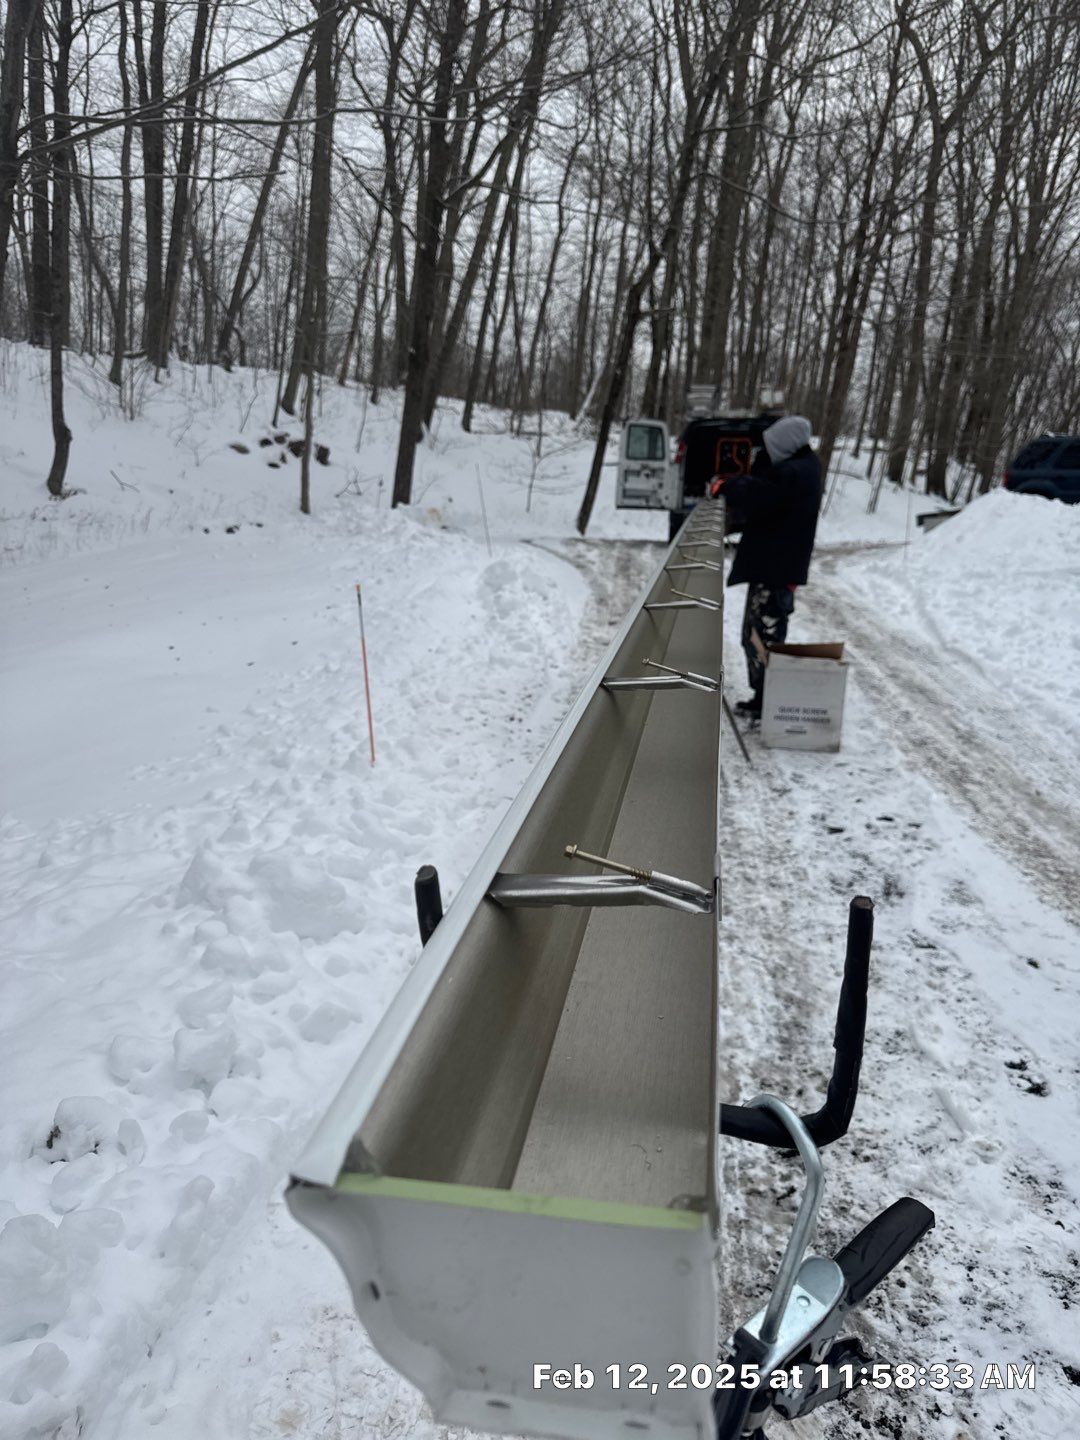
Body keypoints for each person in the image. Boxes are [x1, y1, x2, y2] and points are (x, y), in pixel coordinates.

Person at [708, 415, 821, 718]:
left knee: (763, 635)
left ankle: (767, 701)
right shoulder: (801, 469)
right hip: (776, 566)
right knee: (758, 633)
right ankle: (763, 697)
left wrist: (725, 486)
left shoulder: (794, 473)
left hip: (776, 569)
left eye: (772, 448)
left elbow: (759, 493)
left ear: (785, 445)